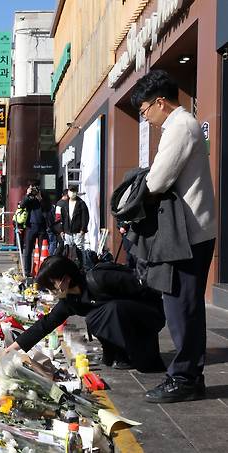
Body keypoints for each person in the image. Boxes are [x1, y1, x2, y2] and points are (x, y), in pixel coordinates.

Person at [131, 70, 216, 403]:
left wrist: (134, 194)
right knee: (183, 304)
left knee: (183, 307)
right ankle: (187, 374)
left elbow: (158, 181)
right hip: (190, 231)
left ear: (160, 103)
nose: (146, 118)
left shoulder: (179, 127)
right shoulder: (181, 125)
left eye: (145, 111)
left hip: (189, 234)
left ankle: (185, 377)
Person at [7, 256, 166, 372]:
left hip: (148, 314)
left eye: (51, 286)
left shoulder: (100, 278)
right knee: (101, 315)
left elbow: (145, 289)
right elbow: (46, 324)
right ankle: (121, 354)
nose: (50, 292)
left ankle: (130, 350)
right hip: (126, 321)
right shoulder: (71, 300)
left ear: (65, 280)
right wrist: (13, 348)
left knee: (104, 312)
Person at [21, 184, 46, 277]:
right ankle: (27, 271)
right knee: (28, 250)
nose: (34, 191)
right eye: (33, 189)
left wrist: (40, 199)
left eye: (36, 189)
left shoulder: (42, 197)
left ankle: (41, 270)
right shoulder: (29, 198)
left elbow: (47, 209)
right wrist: (28, 194)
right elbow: (22, 205)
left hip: (42, 226)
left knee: (42, 250)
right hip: (30, 226)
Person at [61, 186, 89, 251]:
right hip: (67, 232)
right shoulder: (65, 204)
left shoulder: (81, 203)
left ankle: (81, 261)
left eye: (74, 191)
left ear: (76, 192)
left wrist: (83, 229)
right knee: (67, 250)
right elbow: (62, 218)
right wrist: (62, 230)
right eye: (71, 191)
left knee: (80, 250)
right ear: (68, 192)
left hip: (78, 232)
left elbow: (85, 217)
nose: (72, 193)